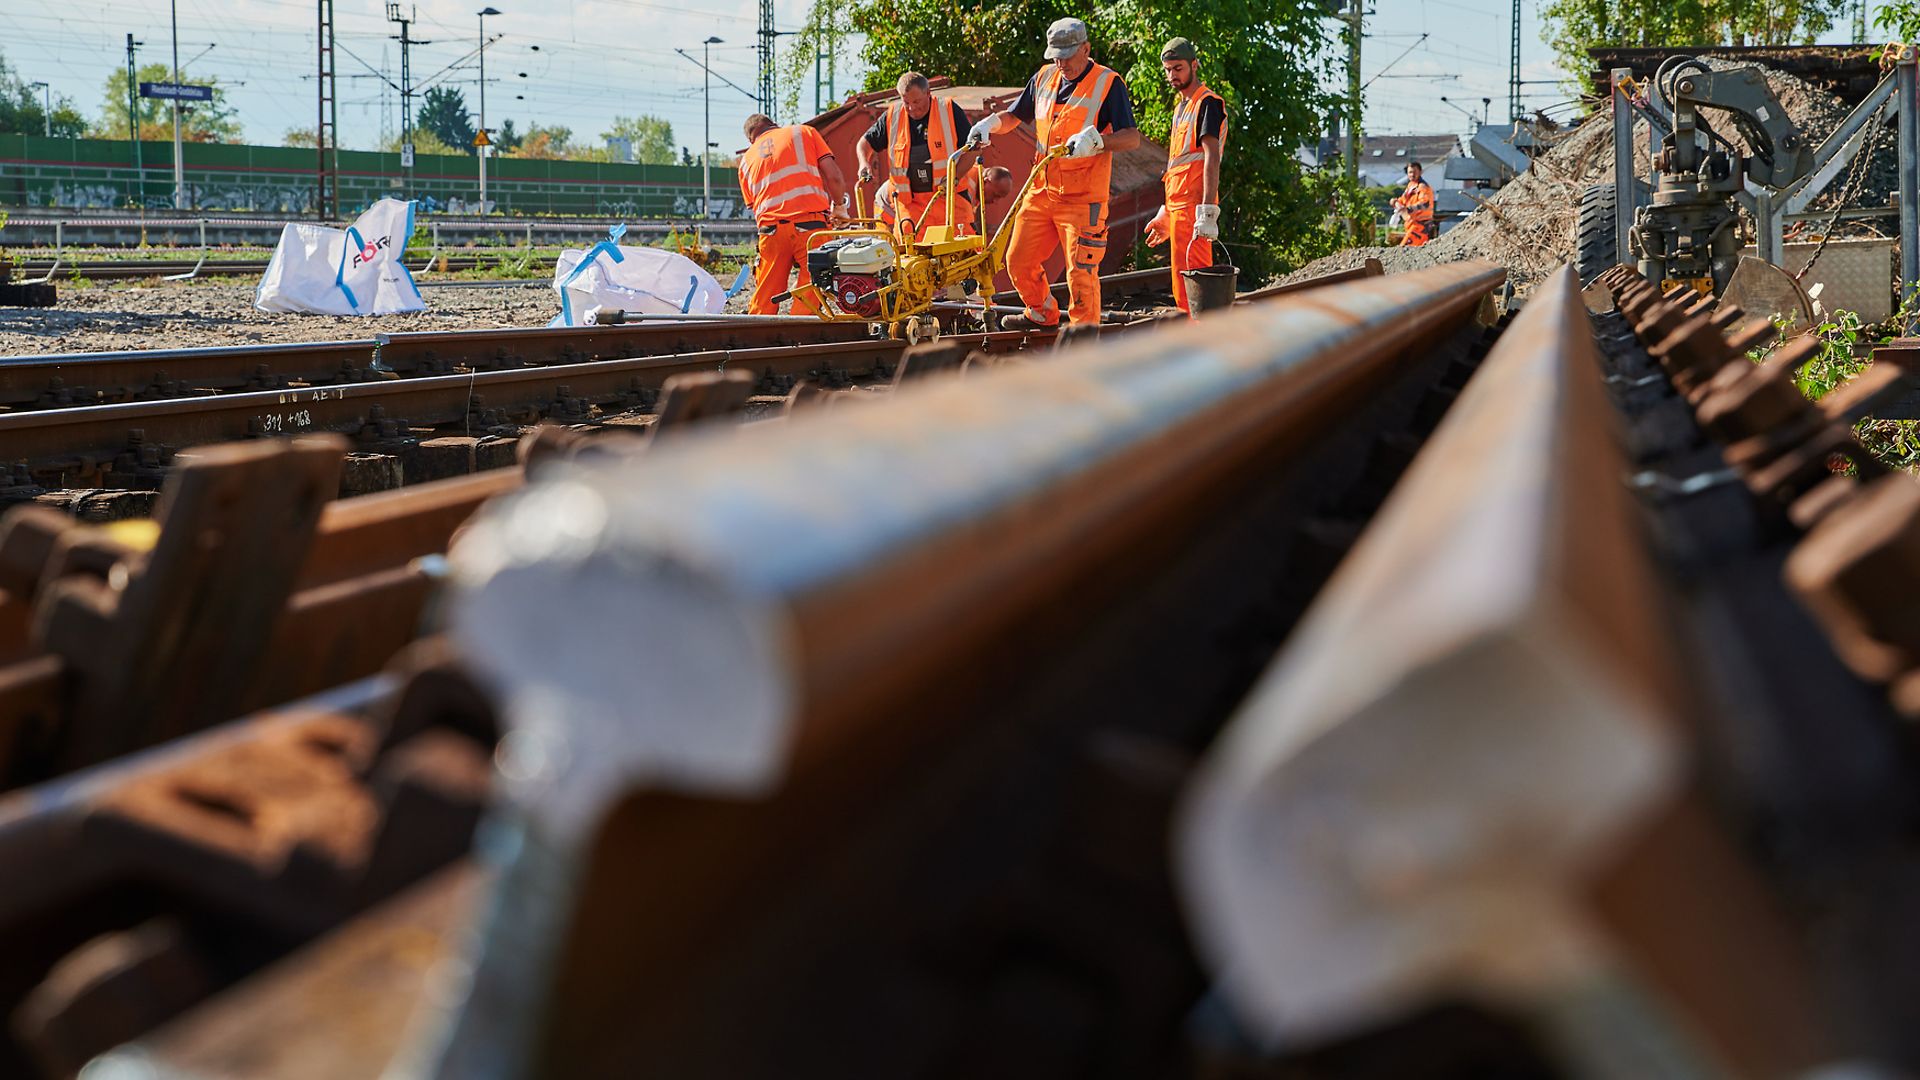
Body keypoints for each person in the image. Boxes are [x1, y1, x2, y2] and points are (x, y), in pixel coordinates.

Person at [965, 16, 1143, 329]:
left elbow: (1132, 138)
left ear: (1086, 48)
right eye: (1056, 56)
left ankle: (1082, 337)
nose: (1061, 63)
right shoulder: (1044, 78)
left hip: (1083, 199)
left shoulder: (1107, 83)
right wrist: (990, 124)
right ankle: (1042, 311)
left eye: (1068, 55)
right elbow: (1015, 116)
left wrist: (1098, 142)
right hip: (1042, 191)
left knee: (1080, 273)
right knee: (1017, 261)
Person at [1143, 37, 1226, 315]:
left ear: (1194, 65)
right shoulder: (1181, 109)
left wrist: (1207, 211)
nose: (1171, 76)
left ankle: (1201, 340)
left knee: (1196, 278)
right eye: (1167, 70)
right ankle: (1193, 337)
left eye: (1177, 68)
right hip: (1180, 208)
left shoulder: (1208, 103)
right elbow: (1178, 164)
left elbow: (1211, 156)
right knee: (1182, 280)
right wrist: (1166, 212)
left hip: (1195, 209)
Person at [737, 113, 849, 314]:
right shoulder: (803, 132)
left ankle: (757, 333)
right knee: (814, 282)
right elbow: (834, 177)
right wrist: (839, 207)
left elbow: (755, 207)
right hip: (810, 227)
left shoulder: (745, 161)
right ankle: (798, 328)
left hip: (770, 233)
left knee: (766, 293)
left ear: (751, 139)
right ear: (774, 124)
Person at [856, 72, 979, 233]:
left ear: (928, 93)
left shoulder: (948, 110)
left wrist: (954, 177)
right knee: (908, 257)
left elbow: (972, 149)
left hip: (949, 205)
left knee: (960, 253)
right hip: (910, 211)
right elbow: (864, 143)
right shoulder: (893, 117)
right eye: (906, 102)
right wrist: (864, 163)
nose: (912, 108)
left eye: (917, 101)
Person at [879, 166, 1015, 239]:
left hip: (902, 200)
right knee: (887, 247)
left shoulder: (974, 183)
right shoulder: (965, 186)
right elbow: (962, 228)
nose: (995, 201)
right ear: (987, 181)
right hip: (889, 200)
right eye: (996, 195)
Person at [1393, 160, 1435, 247]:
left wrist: (1408, 209)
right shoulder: (1411, 186)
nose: (1412, 174)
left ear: (1420, 172)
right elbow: (1403, 200)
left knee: (1404, 250)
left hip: (1421, 226)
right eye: (1410, 172)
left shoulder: (1422, 187)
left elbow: (1425, 203)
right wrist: (1395, 202)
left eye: (1415, 172)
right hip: (1412, 225)